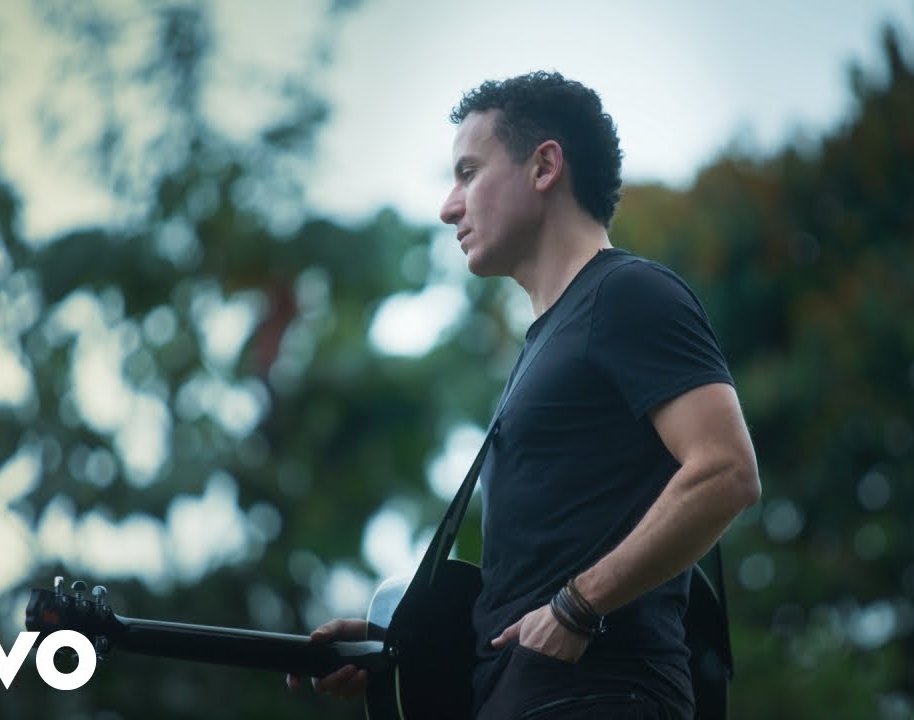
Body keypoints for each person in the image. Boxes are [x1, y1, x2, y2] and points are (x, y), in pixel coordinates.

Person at [287, 71, 761, 720]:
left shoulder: (628, 295)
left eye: (468, 173)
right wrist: (395, 644)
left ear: (544, 167)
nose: (449, 207)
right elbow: (527, 585)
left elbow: (727, 471)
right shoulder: (548, 343)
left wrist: (578, 605)